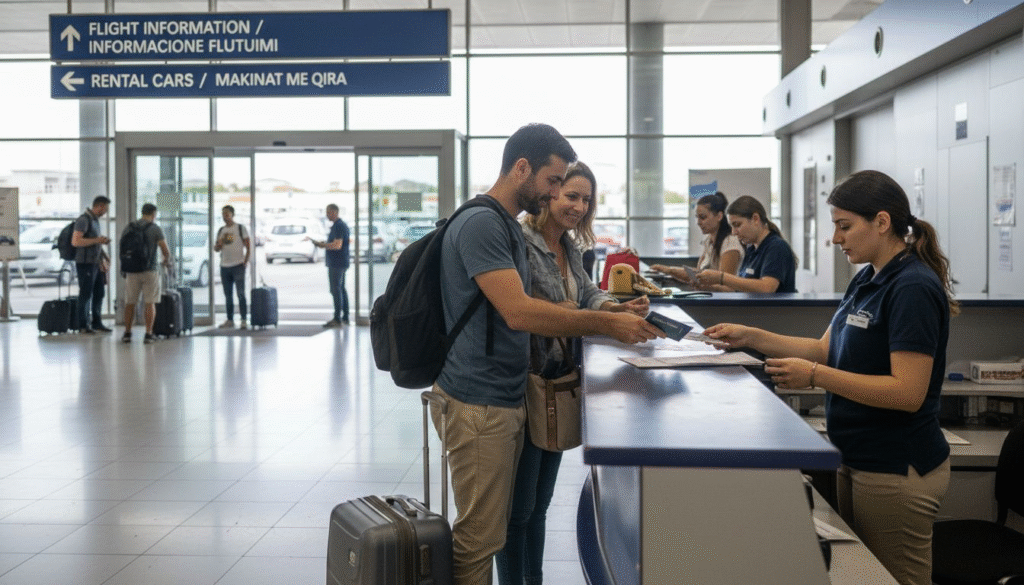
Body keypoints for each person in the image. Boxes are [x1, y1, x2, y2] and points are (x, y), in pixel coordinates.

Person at [430, 123, 664, 585]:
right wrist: (608, 321)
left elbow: (562, 303)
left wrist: (607, 311)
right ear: (522, 169)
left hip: (506, 394)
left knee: (501, 526)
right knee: (481, 538)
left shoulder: (504, 226)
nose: (561, 195)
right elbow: (520, 312)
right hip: (478, 400)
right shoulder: (482, 223)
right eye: (555, 182)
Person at [704, 170, 957, 585]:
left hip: (896, 466)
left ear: (881, 221)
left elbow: (908, 392)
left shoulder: (911, 287)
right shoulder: (868, 277)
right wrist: (751, 336)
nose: (836, 239)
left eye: (844, 226)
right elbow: (824, 348)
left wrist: (817, 377)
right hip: (855, 457)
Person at [497, 160, 649, 585]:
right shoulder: (521, 241)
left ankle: (534, 579)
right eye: (571, 196)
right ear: (551, 194)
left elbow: (585, 294)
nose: (579, 206)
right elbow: (532, 310)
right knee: (518, 510)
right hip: (523, 386)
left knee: (539, 504)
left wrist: (616, 309)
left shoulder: (567, 246)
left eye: (586, 199)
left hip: (555, 385)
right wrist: (585, 314)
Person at [695, 195, 797, 293]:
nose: (734, 232)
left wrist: (722, 277)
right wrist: (710, 287)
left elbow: (766, 288)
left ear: (755, 219)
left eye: (737, 225)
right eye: (732, 227)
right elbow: (738, 289)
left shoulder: (776, 247)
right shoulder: (751, 249)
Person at [650, 191, 743, 289]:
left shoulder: (730, 243)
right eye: (697, 217)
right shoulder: (709, 241)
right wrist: (668, 270)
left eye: (703, 217)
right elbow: (698, 274)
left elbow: (726, 287)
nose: (698, 222)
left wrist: (703, 286)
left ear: (719, 216)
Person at [120, 203, 171, 344]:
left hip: (131, 270)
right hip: (150, 270)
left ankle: (127, 333)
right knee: (150, 303)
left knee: (130, 302)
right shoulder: (155, 228)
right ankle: (148, 334)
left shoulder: (129, 227)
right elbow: (165, 250)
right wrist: (166, 260)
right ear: (154, 214)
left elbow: (123, 248)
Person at [71, 195, 112, 333]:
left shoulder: (95, 220)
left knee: (99, 293)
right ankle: (83, 325)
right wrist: (97, 240)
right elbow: (76, 241)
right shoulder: (84, 220)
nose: (105, 212)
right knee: (86, 294)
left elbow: (95, 241)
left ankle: (96, 322)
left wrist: (105, 255)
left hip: (95, 263)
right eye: (105, 209)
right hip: (85, 263)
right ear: (99, 206)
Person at [310, 204, 350, 327]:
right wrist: (326, 244)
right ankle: (344, 317)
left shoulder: (339, 226)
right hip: (340, 262)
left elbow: (337, 245)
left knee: (336, 290)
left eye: (328, 212)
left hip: (337, 263)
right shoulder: (339, 226)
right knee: (341, 289)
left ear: (334, 212)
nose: (327, 215)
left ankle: (337, 318)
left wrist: (323, 245)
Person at [213, 205, 251, 329]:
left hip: (238, 265)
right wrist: (218, 245)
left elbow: (248, 245)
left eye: (227, 214)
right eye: (223, 214)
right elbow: (217, 248)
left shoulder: (240, 228)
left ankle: (244, 319)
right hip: (225, 266)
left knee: (240, 293)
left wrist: (245, 260)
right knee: (228, 295)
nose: (225, 217)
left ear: (232, 215)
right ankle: (230, 319)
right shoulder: (221, 231)